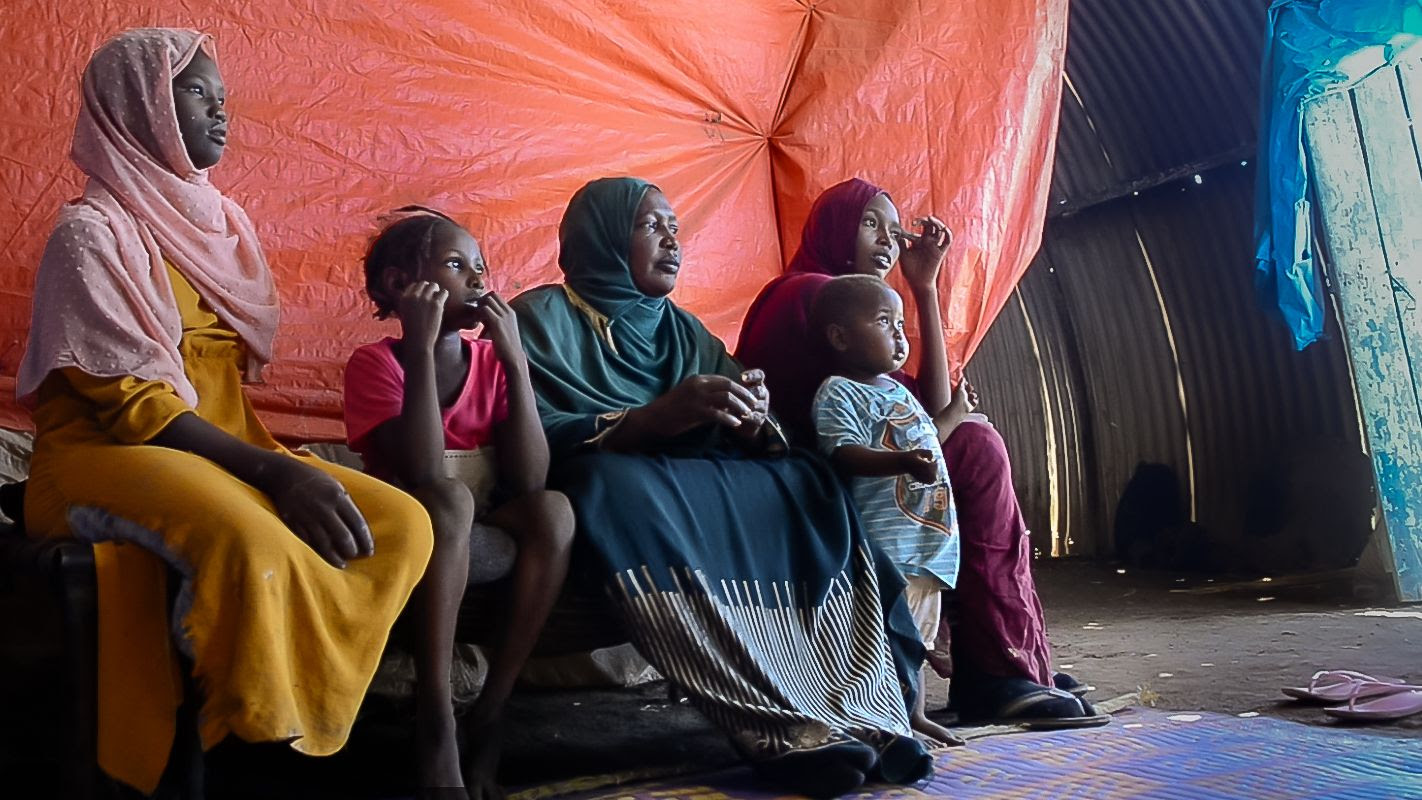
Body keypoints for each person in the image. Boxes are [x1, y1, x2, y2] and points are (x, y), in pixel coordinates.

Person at [16, 28, 433, 795]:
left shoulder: (222, 225)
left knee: (406, 525)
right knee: (249, 540)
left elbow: (224, 385)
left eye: (223, 97)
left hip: (221, 442)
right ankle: (249, 747)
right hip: (103, 453)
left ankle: (301, 717)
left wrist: (271, 466)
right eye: (196, 92)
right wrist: (276, 474)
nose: (221, 113)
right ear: (138, 106)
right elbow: (135, 407)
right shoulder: (91, 235)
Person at [511, 177, 934, 798]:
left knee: (805, 479)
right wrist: (650, 418)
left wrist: (753, 413)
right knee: (613, 482)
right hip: (619, 472)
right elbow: (537, 436)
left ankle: (859, 710)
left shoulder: (684, 332)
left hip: (692, 478)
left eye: (676, 229)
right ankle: (770, 725)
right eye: (650, 227)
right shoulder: (541, 319)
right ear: (599, 237)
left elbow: (754, 425)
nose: (672, 242)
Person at [737, 178, 1104, 727]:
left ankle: (1015, 663)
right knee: (976, 447)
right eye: (869, 223)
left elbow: (924, 411)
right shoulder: (811, 294)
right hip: (818, 475)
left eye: (893, 227)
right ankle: (998, 671)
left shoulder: (864, 313)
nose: (887, 239)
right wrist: (948, 421)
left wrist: (924, 287)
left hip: (867, 470)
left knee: (972, 439)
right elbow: (921, 424)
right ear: (831, 229)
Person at [345, 207, 575, 798]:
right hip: (419, 531)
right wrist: (419, 348)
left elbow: (529, 479)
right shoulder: (376, 364)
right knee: (446, 500)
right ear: (401, 286)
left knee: (554, 510)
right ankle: (437, 718)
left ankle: (492, 710)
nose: (478, 280)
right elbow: (420, 470)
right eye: (455, 265)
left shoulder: (492, 365)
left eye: (482, 267)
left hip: (484, 525)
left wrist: (517, 363)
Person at [808, 274, 975, 743]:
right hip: (887, 547)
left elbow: (927, 445)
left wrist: (955, 414)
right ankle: (877, 716)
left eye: (901, 323)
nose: (899, 335)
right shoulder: (839, 392)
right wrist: (900, 461)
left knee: (918, 638)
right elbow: (841, 452)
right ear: (840, 337)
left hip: (930, 545)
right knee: (881, 637)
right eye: (885, 322)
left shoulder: (900, 392)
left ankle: (915, 713)